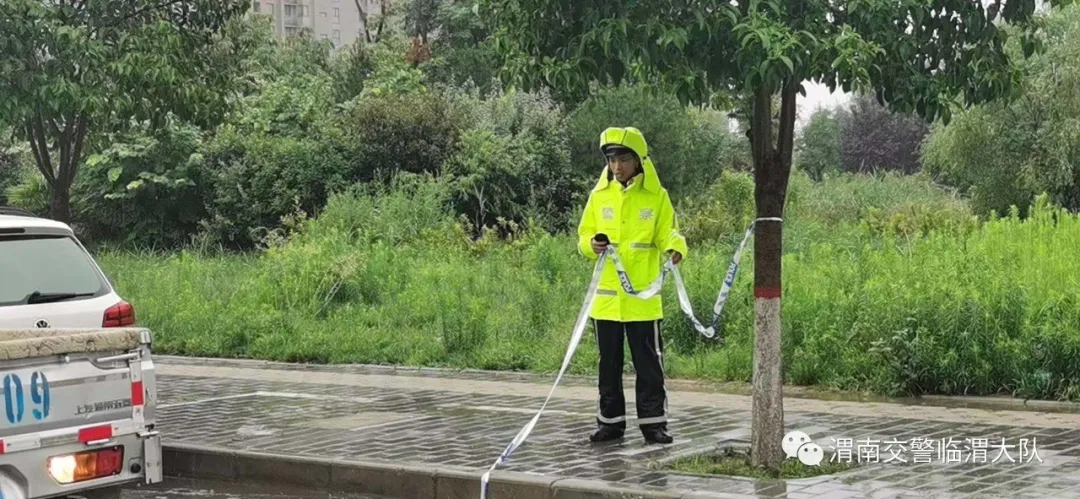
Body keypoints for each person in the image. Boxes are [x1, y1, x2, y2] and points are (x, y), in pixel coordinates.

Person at [576, 126, 688, 445]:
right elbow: (584, 236)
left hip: (643, 300)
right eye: (612, 160)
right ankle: (610, 424)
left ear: (639, 161)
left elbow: (668, 231)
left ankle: (654, 424)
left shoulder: (656, 197)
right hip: (607, 302)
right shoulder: (599, 196)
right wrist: (591, 245)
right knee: (607, 366)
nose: (617, 167)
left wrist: (676, 247)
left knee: (649, 366)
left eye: (624, 159)